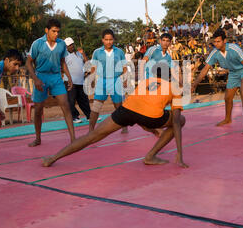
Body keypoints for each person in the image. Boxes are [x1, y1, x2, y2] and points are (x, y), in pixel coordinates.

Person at [42, 64, 188, 168]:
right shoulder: (174, 87)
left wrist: (149, 128)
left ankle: (52, 158)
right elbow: (175, 121)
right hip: (149, 115)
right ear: (170, 77)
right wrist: (179, 154)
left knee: (92, 136)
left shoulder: (145, 83)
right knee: (181, 120)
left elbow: (138, 110)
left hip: (127, 110)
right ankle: (150, 156)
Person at [192, 28, 243, 134]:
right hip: (233, 73)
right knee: (227, 98)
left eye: (218, 41)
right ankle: (228, 119)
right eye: (214, 41)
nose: (216, 43)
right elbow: (205, 69)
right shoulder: (214, 52)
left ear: (224, 41)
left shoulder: (234, 48)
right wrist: (195, 84)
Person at [26, 19, 76, 147]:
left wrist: (69, 77)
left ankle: (73, 139)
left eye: (58, 31)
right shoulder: (37, 43)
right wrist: (35, 79)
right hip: (41, 77)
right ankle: (38, 138)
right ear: (47, 30)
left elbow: (63, 62)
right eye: (54, 31)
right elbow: (28, 62)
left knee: (65, 105)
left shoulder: (61, 44)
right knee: (38, 109)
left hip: (56, 77)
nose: (56, 34)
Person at [88, 29, 128, 134]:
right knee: (96, 106)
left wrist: (125, 80)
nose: (108, 42)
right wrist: (91, 80)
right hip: (102, 81)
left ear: (113, 40)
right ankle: (91, 130)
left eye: (110, 39)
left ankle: (124, 126)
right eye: (106, 39)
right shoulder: (97, 52)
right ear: (102, 40)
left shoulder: (119, 52)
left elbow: (124, 67)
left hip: (116, 80)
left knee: (118, 106)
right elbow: (93, 67)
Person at [63, 37, 91, 124]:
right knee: (71, 100)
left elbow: (87, 64)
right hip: (70, 81)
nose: (71, 47)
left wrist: (83, 54)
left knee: (84, 99)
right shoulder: (64, 55)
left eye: (72, 45)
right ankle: (74, 116)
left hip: (80, 81)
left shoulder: (79, 54)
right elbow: (62, 67)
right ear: (66, 47)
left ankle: (89, 116)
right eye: (69, 46)